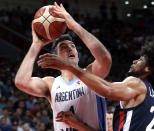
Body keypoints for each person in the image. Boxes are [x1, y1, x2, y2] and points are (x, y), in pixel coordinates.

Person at [38, 40, 154, 130]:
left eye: (141, 59)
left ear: (148, 69)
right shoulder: (152, 100)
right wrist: (79, 124)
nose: (135, 61)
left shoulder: (137, 84)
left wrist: (70, 67)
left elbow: (107, 89)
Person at [14, 2, 112, 131]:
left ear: (77, 53)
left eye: (72, 46)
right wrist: (36, 44)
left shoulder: (90, 74)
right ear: (56, 56)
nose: (70, 49)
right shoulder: (51, 84)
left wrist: (75, 26)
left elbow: (104, 59)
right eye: (64, 47)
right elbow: (21, 82)